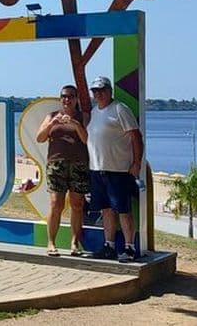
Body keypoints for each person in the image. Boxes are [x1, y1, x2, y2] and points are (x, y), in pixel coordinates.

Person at [86, 76, 144, 262]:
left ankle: (130, 247)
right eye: (95, 91)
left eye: (102, 90)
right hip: (97, 169)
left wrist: (136, 163)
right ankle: (109, 245)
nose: (98, 94)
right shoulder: (95, 112)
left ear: (110, 91)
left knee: (123, 210)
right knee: (106, 210)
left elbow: (136, 137)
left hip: (118, 171)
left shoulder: (120, 109)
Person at [35, 84, 89, 257]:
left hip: (78, 163)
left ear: (76, 99)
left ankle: (74, 243)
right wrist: (52, 123)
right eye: (65, 96)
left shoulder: (83, 117)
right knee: (55, 204)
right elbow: (40, 138)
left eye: (72, 96)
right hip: (56, 164)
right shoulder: (51, 116)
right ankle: (51, 243)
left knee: (77, 204)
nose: (68, 99)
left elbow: (87, 139)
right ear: (60, 99)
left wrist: (75, 123)